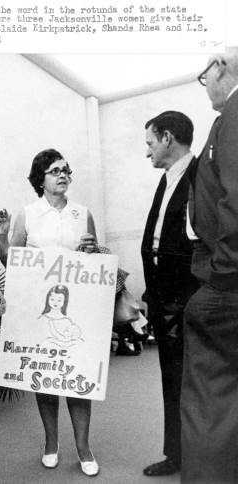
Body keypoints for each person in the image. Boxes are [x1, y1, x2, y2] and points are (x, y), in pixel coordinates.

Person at [0, 148, 100, 477]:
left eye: (67, 170)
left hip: (76, 306)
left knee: (76, 377)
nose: (63, 175)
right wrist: (1, 235)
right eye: (55, 170)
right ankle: (51, 442)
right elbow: (11, 261)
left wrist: (91, 252)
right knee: (47, 377)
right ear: (40, 178)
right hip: (38, 307)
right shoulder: (28, 214)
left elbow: (95, 259)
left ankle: (84, 447)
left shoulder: (83, 213)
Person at [182, 48, 238, 483]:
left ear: (221, 68)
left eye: (206, 76)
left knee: (208, 393)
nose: (206, 87)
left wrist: (221, 274)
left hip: (227, 284)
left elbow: (235, 203)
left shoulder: (233, 117)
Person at [140, 111, 199, 477]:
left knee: (195, 382)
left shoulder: (199, 177)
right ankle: (176, 454)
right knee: (173, 380)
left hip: (189, 300)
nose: (147, 151)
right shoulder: (168, 179)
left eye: (149, 142)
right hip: (165, 299)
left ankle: (200, 457)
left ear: (167, 138)